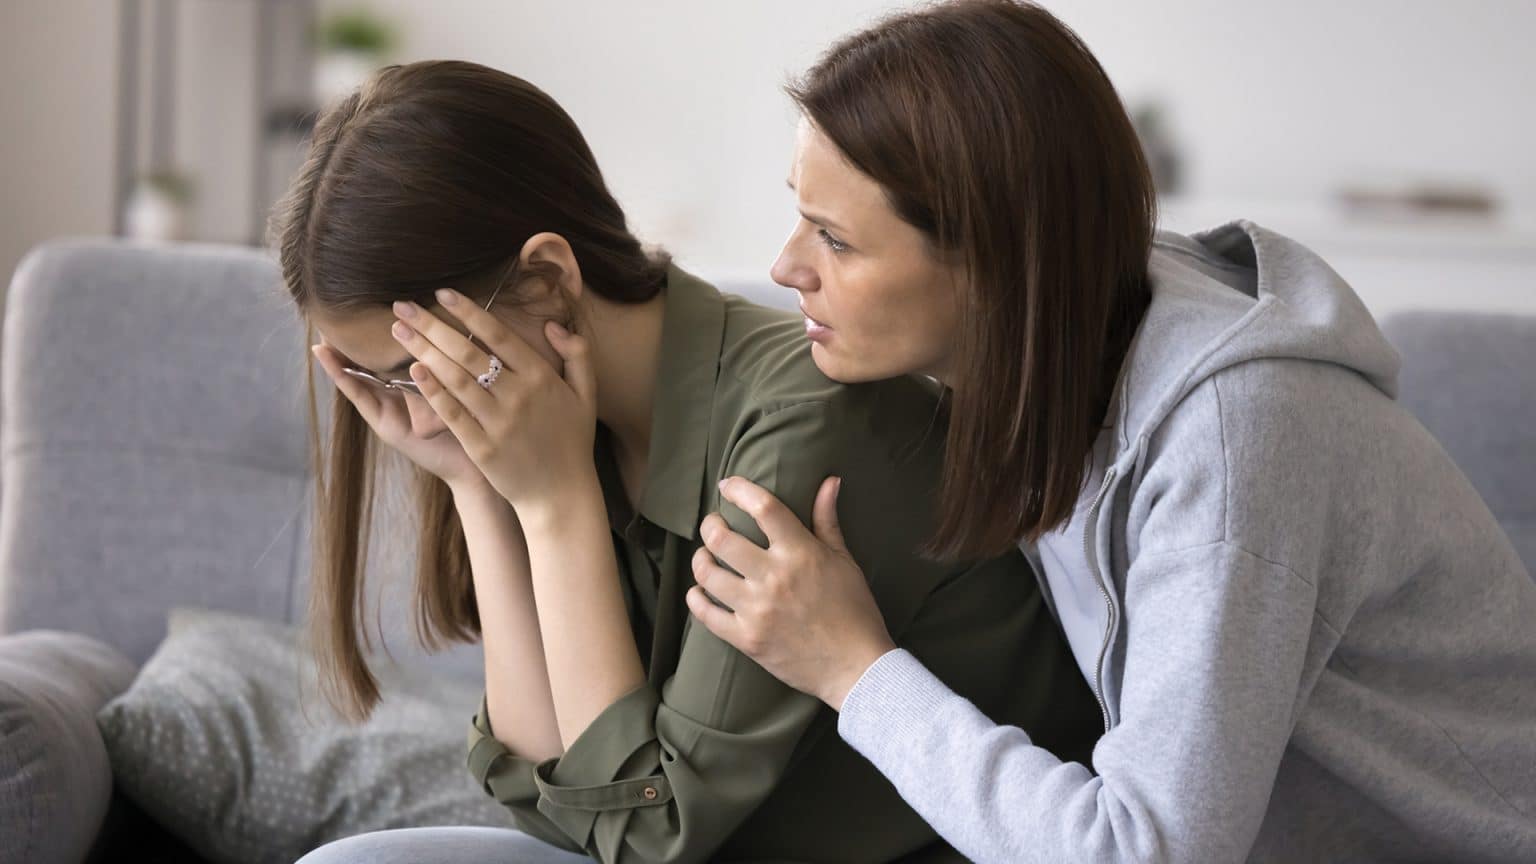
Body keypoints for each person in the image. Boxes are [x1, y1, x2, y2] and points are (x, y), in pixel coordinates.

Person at [685, 2, 1536, 862]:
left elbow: (1142, 853)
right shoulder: (1052, 348)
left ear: (995, 261)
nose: (786, 266)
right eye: (802, 215)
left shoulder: (1234, 438)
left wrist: (851, 668)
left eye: (834, 239)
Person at [276, 60, 1100, 864]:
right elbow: (553, 808)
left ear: (548, 278)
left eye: (420, 370)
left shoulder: (803, 425)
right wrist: (471, 481)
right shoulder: (562, 425)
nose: (418, 411)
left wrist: (555, 505)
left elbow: (643, 837)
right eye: (382, 384)